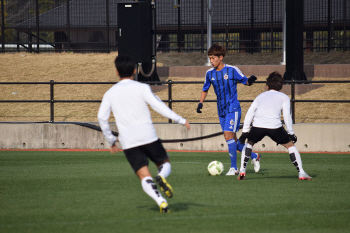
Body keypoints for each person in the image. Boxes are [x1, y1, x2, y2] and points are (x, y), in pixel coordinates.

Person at [98, 55, 191, 213]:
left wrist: (111, 140)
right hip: (148, 136)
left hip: (128, 141)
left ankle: (161, 201)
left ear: (116, 72)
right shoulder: (142, 88)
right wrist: (180, 120)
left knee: (144, 176)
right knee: (165, 163)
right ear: (135, 71)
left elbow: (101, 117)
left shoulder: (110, 93)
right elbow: (158, 106)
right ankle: (161, 176)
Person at [197, 44, 261, 176]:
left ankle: (234, 168)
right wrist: (200, 103)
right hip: (221, 110)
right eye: (210, 58)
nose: (211, 61)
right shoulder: (209, 73)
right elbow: (205, 89)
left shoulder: (232, 70)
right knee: (233, 142)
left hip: (233, 108)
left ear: (221, 57)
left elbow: (245, 81)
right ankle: (255, 156)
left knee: (228, 136)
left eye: (213, 58)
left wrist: (250, 80)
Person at [238, 71, 312, 180]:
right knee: (290, 145)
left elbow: (250, 113)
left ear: (267, 86)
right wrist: (290, 132)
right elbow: (287, 115)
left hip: (258, 126)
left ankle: (242, 170)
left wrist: (245, 132)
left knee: (249, 144)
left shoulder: (260, 96)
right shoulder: (284, 97)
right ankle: (301, 172)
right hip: (275, 127)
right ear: (281, 86)